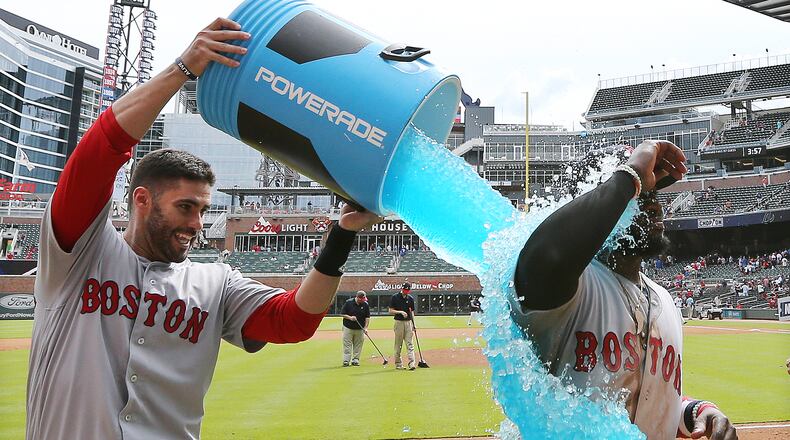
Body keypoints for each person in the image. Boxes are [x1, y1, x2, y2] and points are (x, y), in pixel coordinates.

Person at [25, 18, 380, 440]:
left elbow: (296, 321)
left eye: (203, 209)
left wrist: (341, 235)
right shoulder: (78, 252)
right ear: (142, 199)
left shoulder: (215, 282)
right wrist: (183, 69)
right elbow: (101, 148)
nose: (197, 224)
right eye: (185, 207)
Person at [511, 140, 736, 439]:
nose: (655, 205)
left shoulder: (663, 299)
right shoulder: (567, 286)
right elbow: (547, 255)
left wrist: (693, 411)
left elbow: (649, 394)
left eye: (654, 194)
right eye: (640, 196)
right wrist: (629, 177)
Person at [388, 282, 416, 370]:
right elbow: (390, 311)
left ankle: (412, 363)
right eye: (404, 290)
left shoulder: (410, 298)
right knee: (398, 344)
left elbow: (411, 312)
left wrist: (413, 324)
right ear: (402, 289)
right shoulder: (395, 297)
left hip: (408, 323)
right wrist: (400, 312)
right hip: (399, 322)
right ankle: (398, 364)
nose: (406, 292)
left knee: (410, 343)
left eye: (407, 290)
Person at [340, 291, 371, 366]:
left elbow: (367, 317)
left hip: (360, 329)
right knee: (347, 344)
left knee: (358, 344)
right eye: (363, 299)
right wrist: (350, 318)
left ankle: (355, 360)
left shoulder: (365, 305)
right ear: (358, 298)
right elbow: (342, 314)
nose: (364, 301)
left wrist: (366, 328)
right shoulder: (348, 303)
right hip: (348, 327)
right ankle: (346, 360)